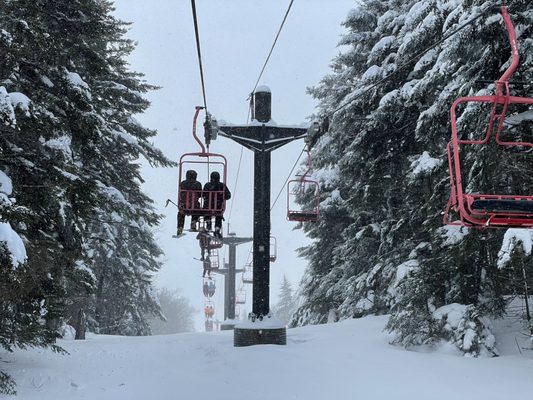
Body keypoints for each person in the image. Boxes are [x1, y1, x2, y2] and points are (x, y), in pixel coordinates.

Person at [202, 171, 231, 238]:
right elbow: (228, 196)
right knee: (219, 215)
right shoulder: (222, 185)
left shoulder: (207, 185)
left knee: (206, 212)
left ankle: (208, 222)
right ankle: (217, 229)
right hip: (218, 206)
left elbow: (203, 194)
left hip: (207, 206)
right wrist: (222, 196)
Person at [177, 170, 202, 236]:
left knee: (181, 213)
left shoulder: (183, 183)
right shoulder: (198, 184)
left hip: (184, 205)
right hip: (194, 205)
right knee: (198, 209)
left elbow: (180, 193)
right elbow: (200, 194)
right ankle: (193, 221)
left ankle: (180, 227)